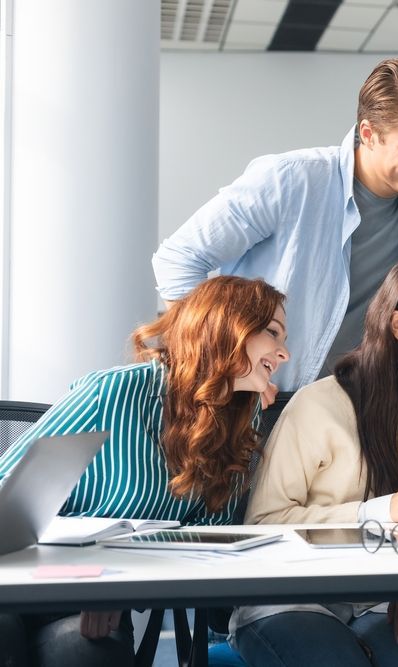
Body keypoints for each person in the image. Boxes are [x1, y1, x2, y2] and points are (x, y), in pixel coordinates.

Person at [152, 57, 398, 399]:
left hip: (356, 407)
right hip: (262, 399)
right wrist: (225, 363)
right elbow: (179, 259)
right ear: (369, 134)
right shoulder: (291, 180)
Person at [0, 276, 290, 667]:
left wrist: (114, 587)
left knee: (86, 656)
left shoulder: (241, 415)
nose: (284, 353)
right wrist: (93, 579)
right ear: (227, 326)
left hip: (95, 604)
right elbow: (7, 492)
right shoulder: (115, 393)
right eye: (273, 332)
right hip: (20, 580)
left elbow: (208, 541)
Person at [231, 257, 398, 667]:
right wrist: (373, 514)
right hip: (292, 596)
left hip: (386, 599)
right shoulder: (319, 405)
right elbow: (264, 522)